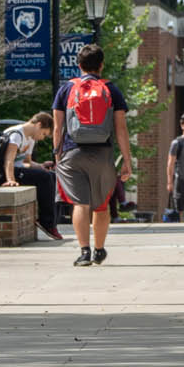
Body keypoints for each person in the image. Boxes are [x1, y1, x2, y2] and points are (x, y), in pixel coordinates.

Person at [53, 42, 132, 266]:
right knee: (101, 204)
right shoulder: (112, 90)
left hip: (72, 151)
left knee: (80, 203)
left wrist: (58, 154)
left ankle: (84, 252)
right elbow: (121, 129)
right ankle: (99, 250)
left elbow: (58, 128)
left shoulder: (66, 89)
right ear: (101, 65)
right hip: (102, 153)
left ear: (79, 65)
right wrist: (126, 160)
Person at [3, 112, 62, 240]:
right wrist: (10, 180)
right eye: (44, 134)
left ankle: (52, 222)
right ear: (38, 125)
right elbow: (9, 160)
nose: (42, 138)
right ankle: (46, 222)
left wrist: (41, 166)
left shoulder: (30, 138)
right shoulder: (17, 134)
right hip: (6, 172)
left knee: (51, 175)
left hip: (19, 169)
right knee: (45, 178)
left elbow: (27, 162)